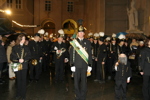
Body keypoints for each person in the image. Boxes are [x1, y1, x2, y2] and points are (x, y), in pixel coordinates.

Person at [70, 26, 92, 100]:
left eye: (82, 32)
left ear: (84, 33)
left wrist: (90, 64)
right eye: (79, 32)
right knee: (76, 81)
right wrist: (72, 64)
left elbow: (89, 54)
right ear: (78, 33)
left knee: (84, 81)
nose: (81, 33)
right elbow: (72, 53)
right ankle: (77, 95)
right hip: (76, 65)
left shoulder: (87, 42)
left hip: (84, 65)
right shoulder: (75, 42)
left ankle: (83, 96)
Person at [10, 34, 31, 100]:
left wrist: (24, 60)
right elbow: (12, 57)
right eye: (23, 38)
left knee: (24, 80)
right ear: (20, 39)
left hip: (24, 65)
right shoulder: (15, 47)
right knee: (18, 80)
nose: (25, 40)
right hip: (17, 65)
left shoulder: (26, 47)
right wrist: (18, 59)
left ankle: (23, 95)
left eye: (24, 38)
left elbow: (29, 56)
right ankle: (18, 94)